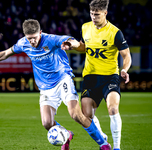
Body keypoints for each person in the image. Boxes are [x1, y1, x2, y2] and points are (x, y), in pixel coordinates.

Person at [0, 19, 111, 150]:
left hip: (63, 80)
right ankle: (66, 135)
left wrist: (71, 44)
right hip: (46, 88)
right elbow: (5, 53)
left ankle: (103, 144)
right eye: (29, 39)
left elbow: (74, 42)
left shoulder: (51, 39)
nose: (32, 42)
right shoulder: (23, 43)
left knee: (75, 115)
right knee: (47, 123)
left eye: (34, 38)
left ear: (40, 32)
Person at [61, 0, 132, 150]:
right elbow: (83, 46)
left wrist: (124, 70)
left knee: (112, 108)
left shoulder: (115, 32)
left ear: (105, 13)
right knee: (87, 116)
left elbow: (126, 56)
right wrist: (72, 45)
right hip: (90, 77)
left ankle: (117, 147)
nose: (93, 17)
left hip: (110, 76)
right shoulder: (85, 27)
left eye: (97, 14)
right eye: (92, 14)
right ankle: (102, 136)